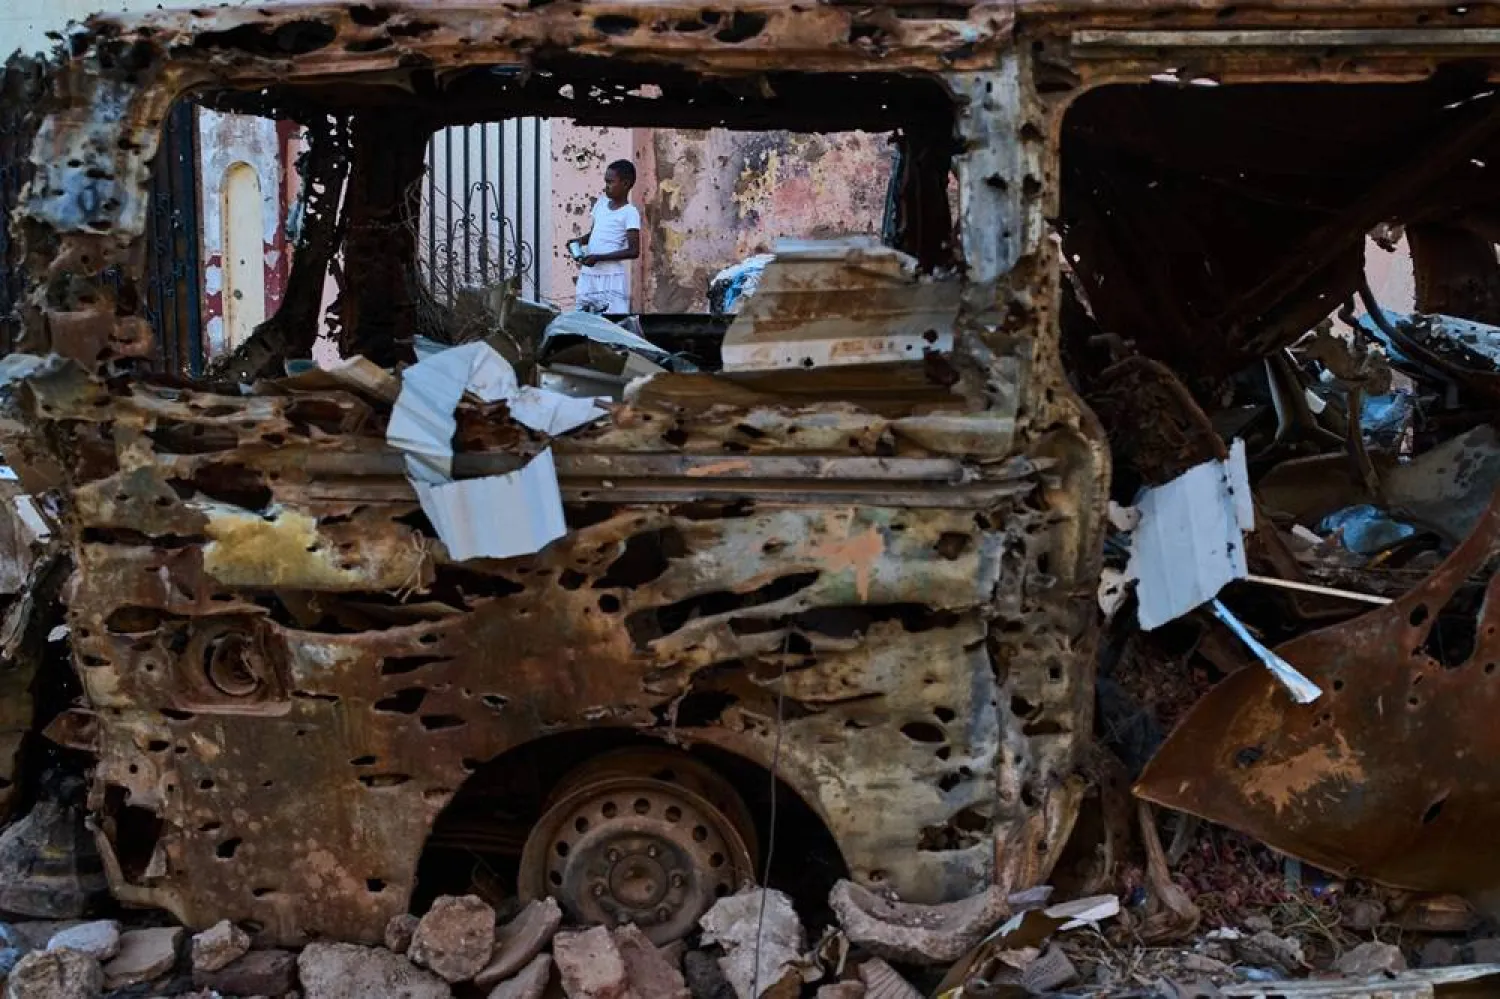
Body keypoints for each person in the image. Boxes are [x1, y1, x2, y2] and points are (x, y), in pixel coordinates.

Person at [574, 160, 641, 314]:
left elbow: (633, 251)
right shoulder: (601, 204)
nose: (606, 186)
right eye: (606, 182)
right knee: (583, 319)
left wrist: (599, 257)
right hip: (588, 275)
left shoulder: (630, 213)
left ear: (625, 184)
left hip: (611, 278)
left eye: (610, 182)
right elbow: (594, 233)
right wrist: (579, 241)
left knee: (612, 322)